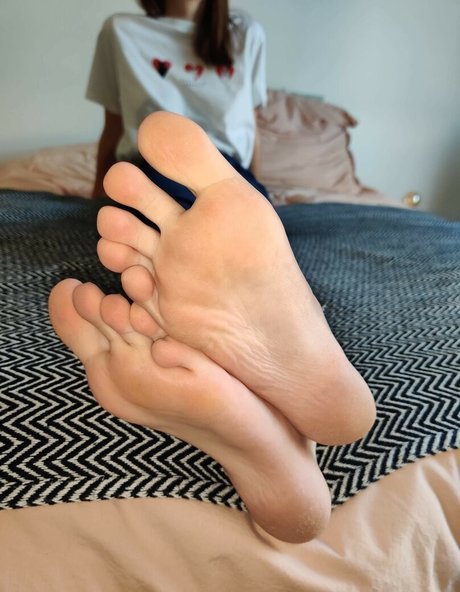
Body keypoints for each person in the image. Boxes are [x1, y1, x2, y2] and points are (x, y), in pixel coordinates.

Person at [49, 111, 377, 544]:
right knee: (226, 227)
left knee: (155, 234)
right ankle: (272, 336)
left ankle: (254, 408)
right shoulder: (244, 55)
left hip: (149, 177)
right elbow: (251, 135)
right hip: (221, 173)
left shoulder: (124, 48)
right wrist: (247, 186)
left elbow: (112, 129)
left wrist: (96, 193)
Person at [88, 0, 270, 208]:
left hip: (229, 169)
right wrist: (97, 195)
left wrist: (258, 193)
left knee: (252, 213)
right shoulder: (120, 31)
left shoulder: (247, 34)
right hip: (157, 164)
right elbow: (113, 128)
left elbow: (251, 127)